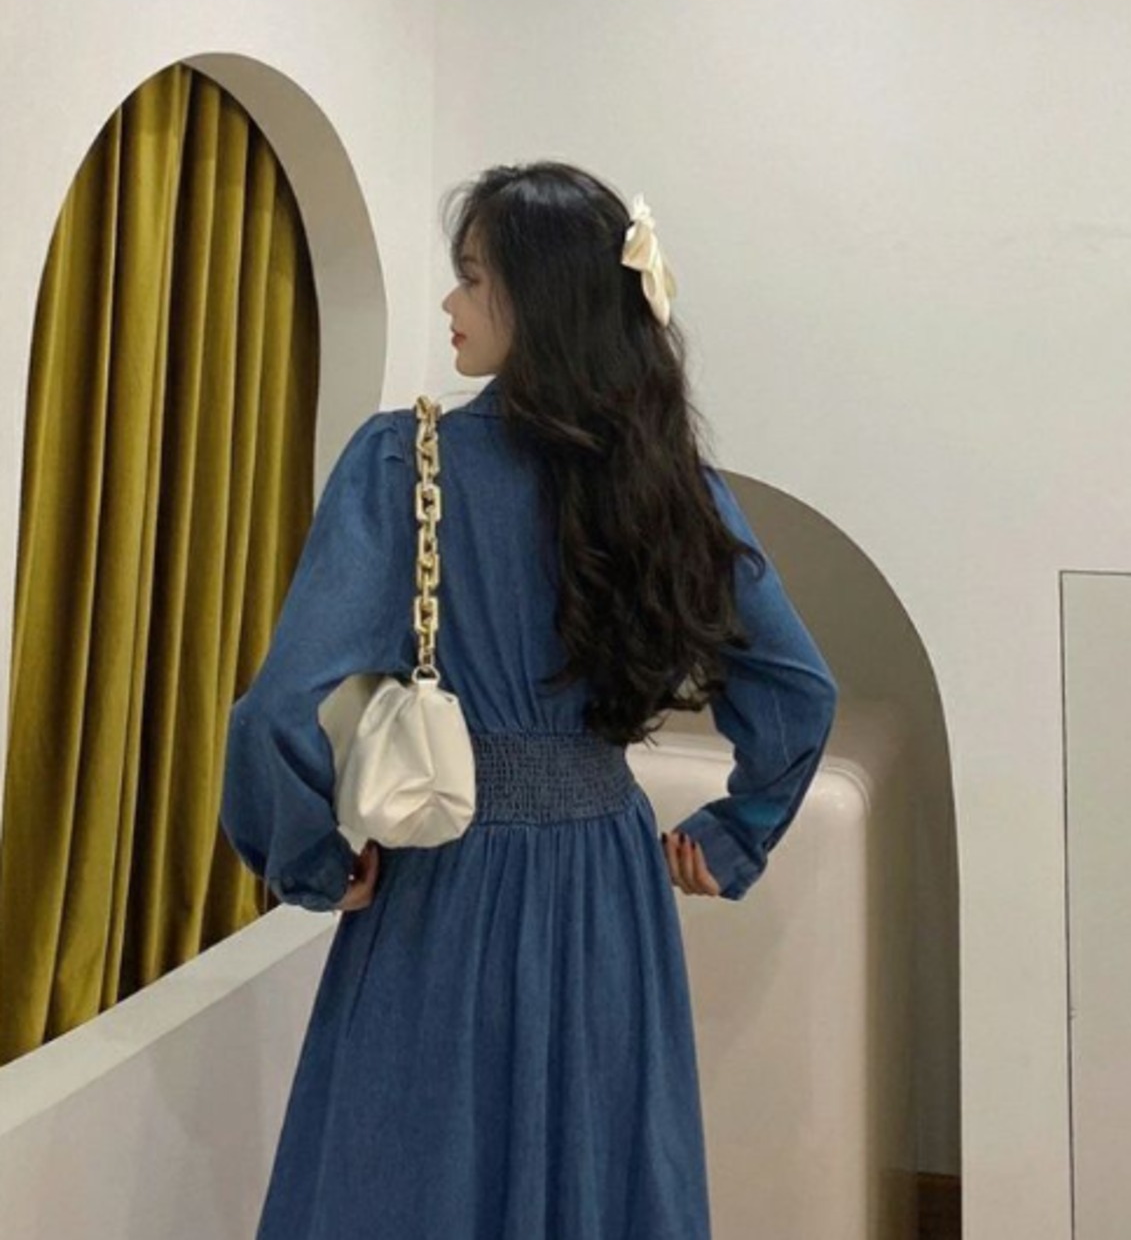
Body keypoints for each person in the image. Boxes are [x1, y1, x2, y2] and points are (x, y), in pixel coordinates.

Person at [218, 160, 839, 1240]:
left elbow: (277, 709)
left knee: (412, 1174)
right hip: (608, 882)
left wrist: (312, 858)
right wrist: (736, 833)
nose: (449, 303)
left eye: (471, 277)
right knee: (596, 1171)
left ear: (538, 297)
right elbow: (797, 686)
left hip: (447, 878)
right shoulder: (668, 481)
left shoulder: (402, 462)